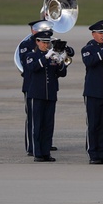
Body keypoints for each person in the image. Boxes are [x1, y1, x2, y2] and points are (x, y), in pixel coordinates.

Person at [24, 30, 68, 163]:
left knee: (48, 125)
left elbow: (62, 74)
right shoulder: (31, 55)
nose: (46, 45)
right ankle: (37, 152)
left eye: (48, 42)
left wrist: (60, 62)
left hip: (50, 94)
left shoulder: (52, 56)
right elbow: (33, 67)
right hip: (36, 95)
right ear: (37, 42)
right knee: (36, 124)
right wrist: (46, 57)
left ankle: (46, 152)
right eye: (43, 42)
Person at [81, 19, 103, 165]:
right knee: (94, 124)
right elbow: (90, 62)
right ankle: (93, 154)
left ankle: (102, 153)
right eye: (101, 33)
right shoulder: (88, 49)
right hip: (93, 92)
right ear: (93, 34)